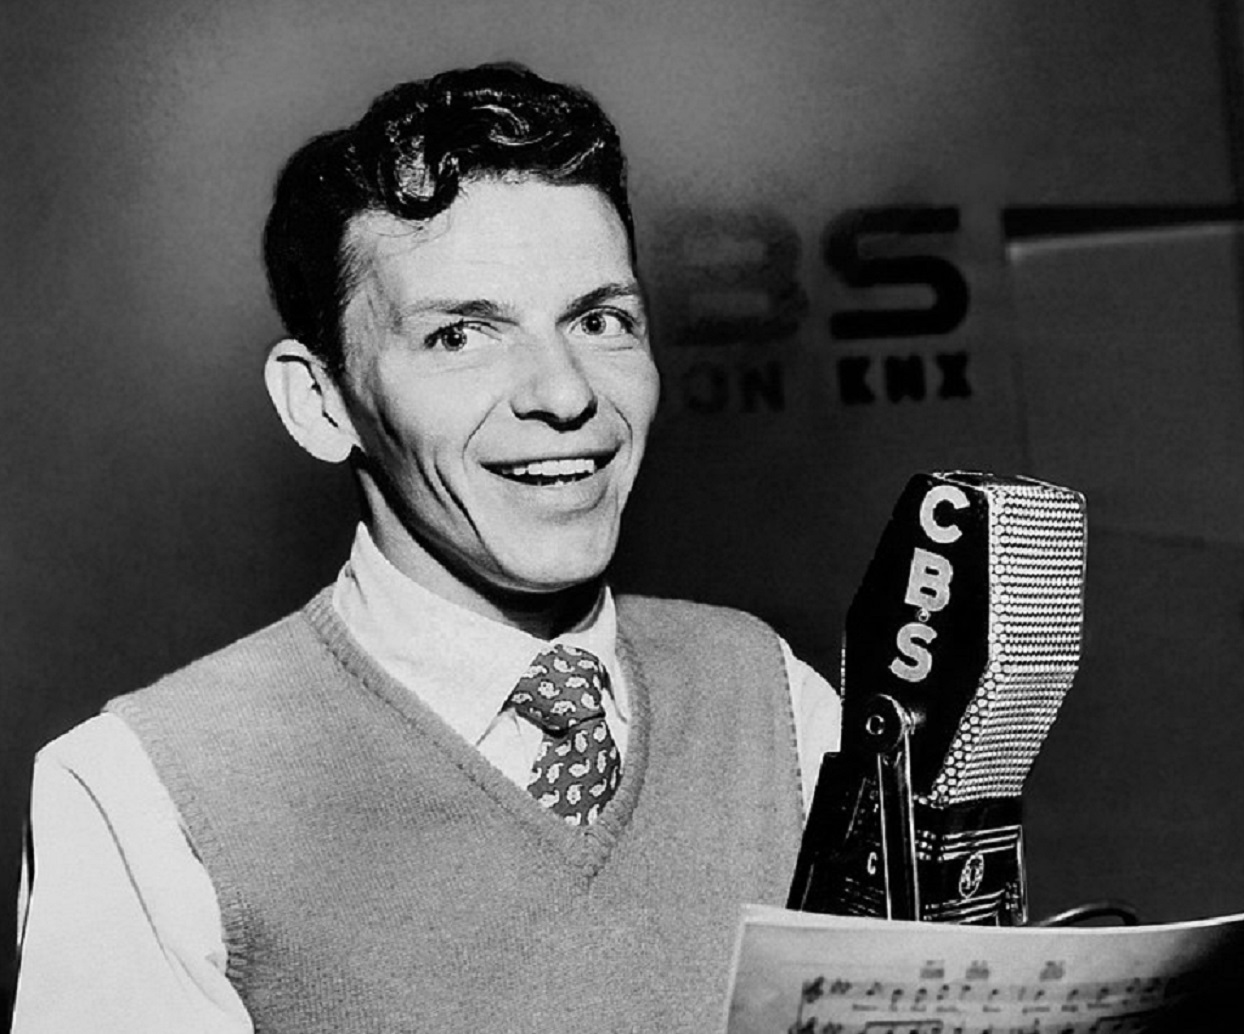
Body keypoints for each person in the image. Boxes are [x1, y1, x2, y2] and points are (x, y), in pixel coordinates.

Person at [11, 63, 839, 1033]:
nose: (564, 393)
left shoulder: (775, 698)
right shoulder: (142, 794)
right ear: (320, 403)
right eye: (460, 336)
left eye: (599, 320)